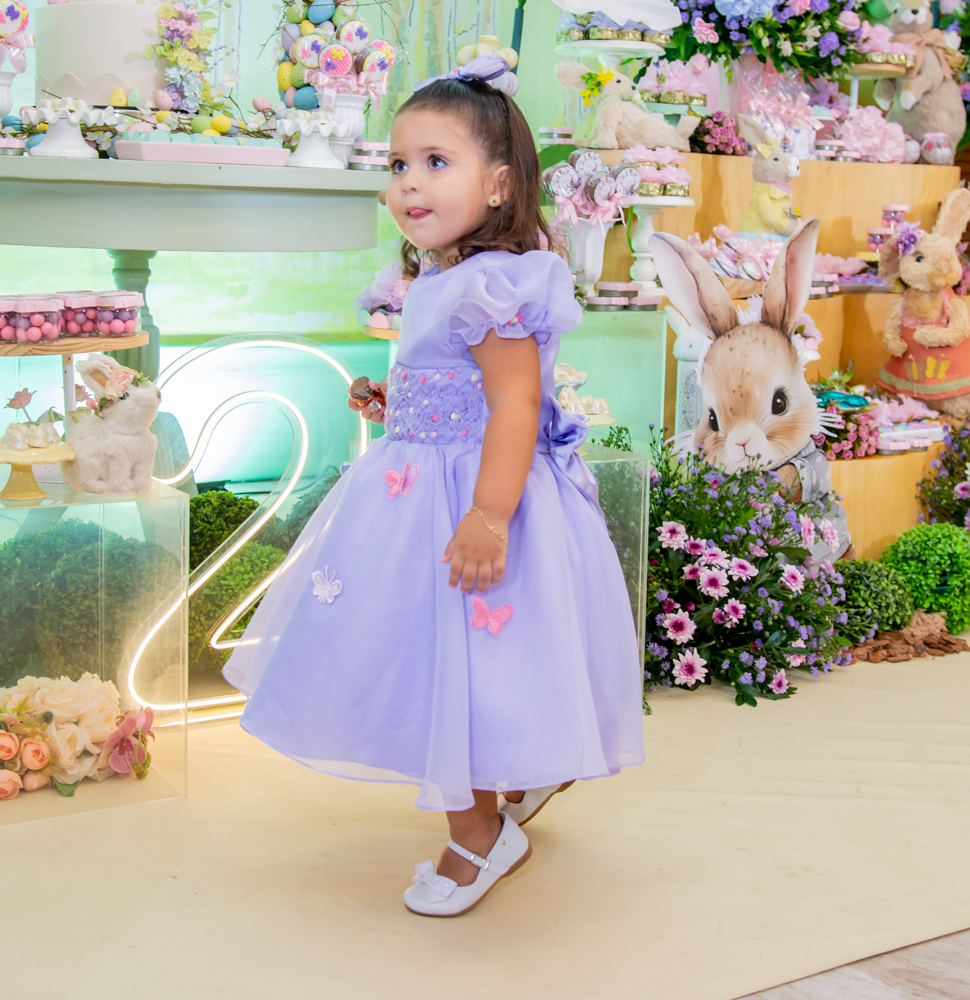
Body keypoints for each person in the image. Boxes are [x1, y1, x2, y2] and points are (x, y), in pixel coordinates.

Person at [223, 54, 642, 918]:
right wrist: (398, 400)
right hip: (423, 483)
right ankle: (514, 778)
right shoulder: (442, 277)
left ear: (498, 184)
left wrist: (489, 516)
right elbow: (460, 386)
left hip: (475, 499)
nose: (409, 182)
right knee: (446, 662)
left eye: (436, 162)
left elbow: (516, 402)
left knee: (464, 664)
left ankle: (480, 833)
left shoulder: (492, 283)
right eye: (398, 163)